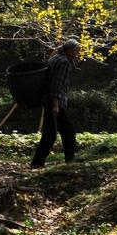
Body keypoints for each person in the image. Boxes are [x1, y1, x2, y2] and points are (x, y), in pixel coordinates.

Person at [31, 38, 79, 169]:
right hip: (55, 101)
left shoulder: (55, 57)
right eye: (75, 50)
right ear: (69, 50)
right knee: (67, 130)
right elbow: (57, 84)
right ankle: (70, 159)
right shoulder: (64, 62)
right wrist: (56, 105)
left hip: (47, 99)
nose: (76, 53)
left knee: (50, 133)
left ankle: (37, 162)